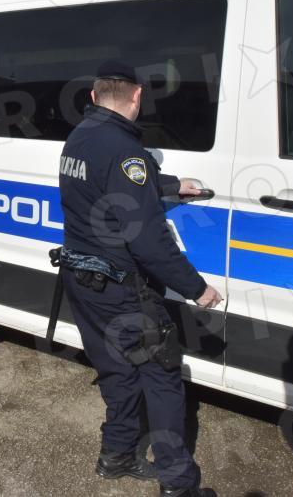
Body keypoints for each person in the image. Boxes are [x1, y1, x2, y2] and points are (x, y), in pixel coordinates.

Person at [58, 60, 222, 497]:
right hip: (122, 289)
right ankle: (178, 483)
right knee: (162, 377)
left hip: (82, 279)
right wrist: (196, 288)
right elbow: (149, 242)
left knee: (117, 371)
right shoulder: (125, 150)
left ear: (94, 96)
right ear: (137, 95)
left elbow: (112, 180)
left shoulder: (80, 136)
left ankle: (116, 455)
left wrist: (170, 183)